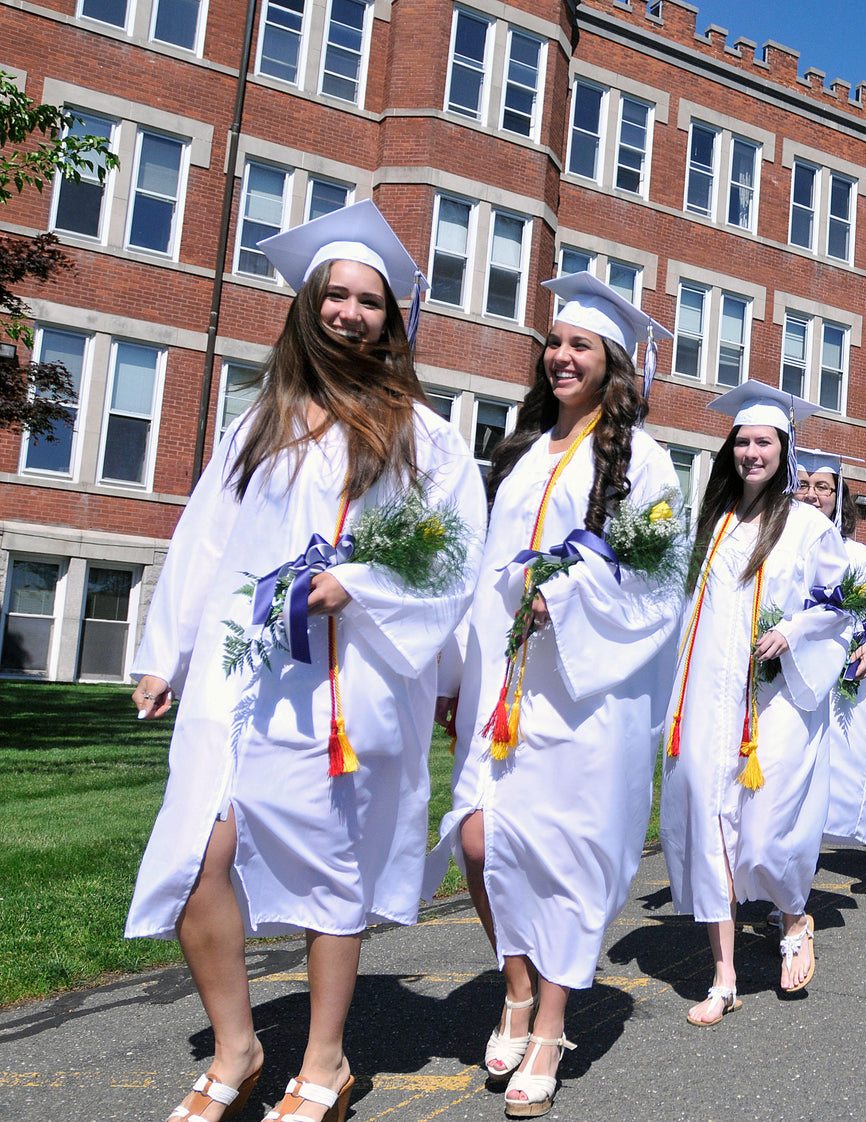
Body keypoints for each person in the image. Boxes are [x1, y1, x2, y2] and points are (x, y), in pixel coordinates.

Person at [128, 201, 487, 1122]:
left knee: (334, 867)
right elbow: (204, 542)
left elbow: (451, 556)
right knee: (194, 859)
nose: (351, 313)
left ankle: (324, 1063)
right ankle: (239, 1045)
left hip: (347, 683)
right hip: (242, 676)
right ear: (307, 305)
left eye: (370, 301)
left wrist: (359, 585)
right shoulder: (260, 423)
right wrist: (163, 653)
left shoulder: (425, 435)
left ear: (391, 319)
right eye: (336, 295)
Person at [430, 273, 684, 1116]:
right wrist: (455, 675)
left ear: (613, 363)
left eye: (580, 345)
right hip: (505, 684)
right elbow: (473, 573)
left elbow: (658, 582)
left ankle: (550, 1023)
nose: (561, 356)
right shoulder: (521, 451)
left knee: (565, 858)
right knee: (478, 839)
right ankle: (513, 985)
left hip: (585, 691)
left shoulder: (644, 462)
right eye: (555, 343)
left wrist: (567, 599)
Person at [660, 382, 850, 1023]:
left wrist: (792, 632)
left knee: (764, 836)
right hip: (714, 695)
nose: (749, 451)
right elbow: (693, 612)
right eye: (740, 441)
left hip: (779, 698)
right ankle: (724, 976)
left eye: (762, 440)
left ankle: (795, 917)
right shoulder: (713, 524)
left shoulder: (809, 525)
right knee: (714, 826)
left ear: (785, 448)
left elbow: (840, 608)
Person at [794, 450, 866, 850]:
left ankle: (794, 888)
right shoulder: (776, 546)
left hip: (842, 685)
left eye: (823, 487)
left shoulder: (863, 558)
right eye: (803, 485)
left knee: (828, 779)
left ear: (838, 496)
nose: (812, 495)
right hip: (786, 681)